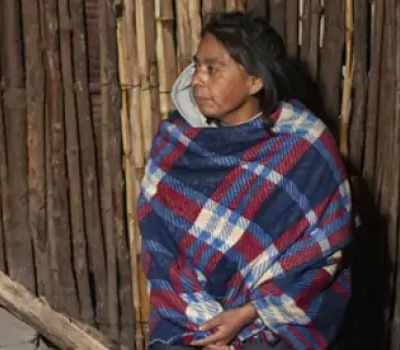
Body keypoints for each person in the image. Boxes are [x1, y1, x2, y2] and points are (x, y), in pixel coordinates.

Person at [138, 12, 352, 350]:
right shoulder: (175, 142)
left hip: (268, 325)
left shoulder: (303, 148)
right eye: (197, 67)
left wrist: (248, 314)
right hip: (186, 318)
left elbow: (324, 252)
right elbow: (159, 247)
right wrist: (205, 327)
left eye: (213, 69)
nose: (197, 80)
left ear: (254, 81)